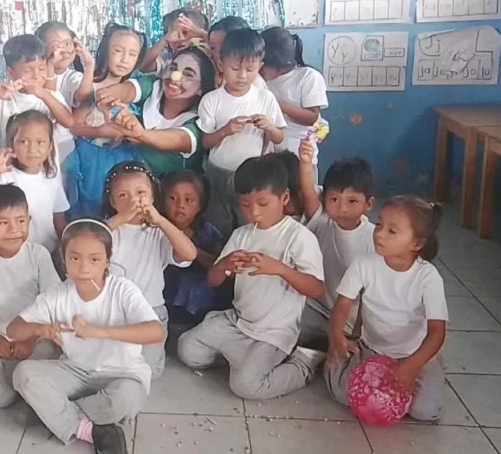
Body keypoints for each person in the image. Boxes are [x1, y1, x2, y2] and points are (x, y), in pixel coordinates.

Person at [177, 155, 326, 400]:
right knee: (188, 350)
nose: (254, 212)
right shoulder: (241, 235)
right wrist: (224, 264)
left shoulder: (299, 237)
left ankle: (303, 363)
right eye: (245, 204)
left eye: (262, 203)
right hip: (238, 321)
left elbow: (317, 289)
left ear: (284, 198)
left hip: (274, 332)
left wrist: (279, 268)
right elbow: (213, 280)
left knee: (247, 387)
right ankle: (243, 359)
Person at [8, 219, 163, 454]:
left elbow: (155, 331)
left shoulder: (122, 289)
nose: (83, 267)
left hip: (123, 373)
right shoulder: (58, 295)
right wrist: (42, 329)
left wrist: (99, 331)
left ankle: (52, 414)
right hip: (76, 371)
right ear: (64, 259)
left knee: (124, 399)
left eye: (94, 259)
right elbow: (13, 330)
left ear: (107, 261)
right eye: (74, 258)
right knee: (24, 374)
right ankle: (89, 430)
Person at [325, 197, 447, 422]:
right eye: (379, 224)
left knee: (425, 411)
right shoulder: (365, 263)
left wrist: (411, 366)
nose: (379, 233)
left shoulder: (428, 277)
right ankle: (330, 364)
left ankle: (431, 368)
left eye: (392, 231)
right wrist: (335, 337)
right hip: (373, 348)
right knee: (345, 394)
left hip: (415, 354)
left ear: (416, 244)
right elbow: (342, 306)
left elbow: (437, 333)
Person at [0, 185, 63, 408]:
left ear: (29, 220)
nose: (14, 229)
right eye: (3, 223)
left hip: (35, 339)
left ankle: (26, 388)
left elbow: (51, 303)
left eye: (20, 221)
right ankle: (17, 388)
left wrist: (29, 339)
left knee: (47, 353)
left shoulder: (38, 255)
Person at [103, 161, 197, 378]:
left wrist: (160, 220)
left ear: (153, 197)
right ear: (112, 201)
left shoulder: (158, 232)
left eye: (140, 193)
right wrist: (120, 219)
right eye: (123, 195)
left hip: (150, 312)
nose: (133, 200)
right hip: (112, 312)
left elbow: (189, 254)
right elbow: (87, 238)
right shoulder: (108, 230)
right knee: (108, 367)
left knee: (149, 372)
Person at [198, 28, 286, 238]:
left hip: (253, 175)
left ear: (260, 68)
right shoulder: (212, 100)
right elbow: (204, 143)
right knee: (218, 224)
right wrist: (225, 131)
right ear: (221, 65)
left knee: (250, 224)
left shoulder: (265, 98)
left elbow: (279, 138)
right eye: (235, 68)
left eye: (250, 69)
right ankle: (221, 265)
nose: (242, 75)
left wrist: (269, 126)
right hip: (218, 172)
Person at [297, 140, 376, 348]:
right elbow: (307, 193)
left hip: (347, 324)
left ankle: (324, 349)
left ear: (368, 204)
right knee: (282, 330)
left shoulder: (375, 238)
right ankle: (315, 351)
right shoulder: (322, 221)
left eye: (352, 201)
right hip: (314, 309)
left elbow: (370, 296)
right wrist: (306, 163)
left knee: (351, 356)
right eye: (334, 200)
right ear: (324, 200)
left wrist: (358, 332)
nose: (342, 208)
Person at [63, 24, 146, 217]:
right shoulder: (93, 87)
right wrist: (101, 131)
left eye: (132, 54)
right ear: (105, 51)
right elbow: (75, 125)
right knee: (92, 203)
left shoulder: (134, 92)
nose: (125, 59)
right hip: (91, 157)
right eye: (118, 51)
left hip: (122, 157)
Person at [96, 45, 217, 177]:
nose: (175, 76)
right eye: (173, 68)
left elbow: (178, 139)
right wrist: (109, 95)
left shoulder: (199, 120)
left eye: (188, 74)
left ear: (201, 88)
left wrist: (140, 134)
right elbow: (128, 90)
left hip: (170, 190)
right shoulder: (154, 86)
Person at [0, 110, 69, 253]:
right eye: (24, 142)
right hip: (14, 255)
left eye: (40, 142)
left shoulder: (51, 178)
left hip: (48, 253)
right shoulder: (4, 176)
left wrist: (66, 246)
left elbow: (58, 218)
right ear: (12, 144)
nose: (32, 149)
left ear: (50, 147)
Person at [160, 170, 229, 327]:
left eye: (189, 200)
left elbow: (218, 264)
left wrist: (190, 248)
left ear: (199, 206)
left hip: (197, 299)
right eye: (172, 198)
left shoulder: (207, 231)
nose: (180, 205)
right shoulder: (156, 229)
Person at [0, 34, 75, 161]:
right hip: (13, 170)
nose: (36, 76)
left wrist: (42, 93)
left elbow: (69, 122)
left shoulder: (50, 96)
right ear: (10, 73)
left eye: (42, 68)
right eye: (28, 71)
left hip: (47, 172)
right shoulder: (4, 98)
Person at [260, 27, 329, 178]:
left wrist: (277, 103)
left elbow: (312, 117)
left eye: (262, 64)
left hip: (300, 158)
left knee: (303, 198)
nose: (259, 68)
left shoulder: (308, 77)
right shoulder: (262, 80)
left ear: (277, 65)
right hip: (271, 158)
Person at [138, 8, 209, 75]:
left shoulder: (209, 55)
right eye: (174, 33)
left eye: (185, 33)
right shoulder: (168, 60)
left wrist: (202, 33)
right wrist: (164, 40)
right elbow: (142, 65)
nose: (180, 38)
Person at [206, 16, 267, 90]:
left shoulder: (254, 84)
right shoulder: (217, 77)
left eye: (223, 47)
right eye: (212, 48)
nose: (217, 54)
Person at [35, 20, 86, 105]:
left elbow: (83, 96)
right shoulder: (34, 77)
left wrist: (89, 63)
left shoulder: (74, 77)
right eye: (56, 46)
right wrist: (50, 65)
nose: (64, 51)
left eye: (67, 43)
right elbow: (47, 105)